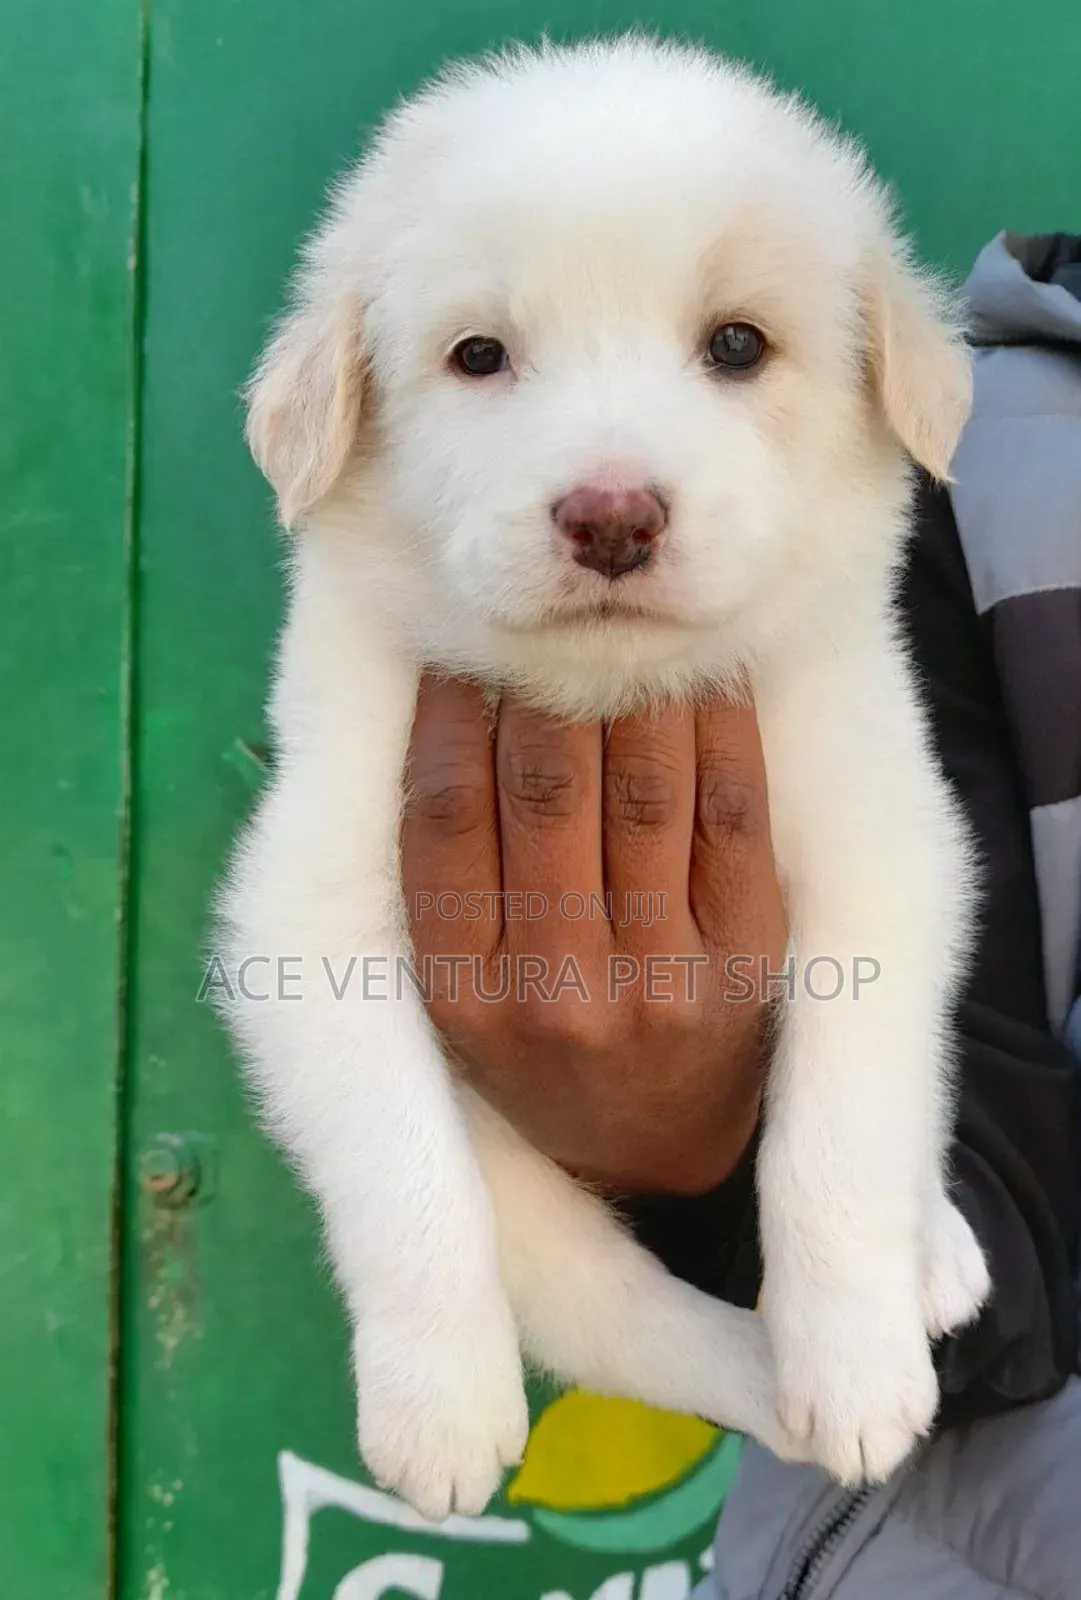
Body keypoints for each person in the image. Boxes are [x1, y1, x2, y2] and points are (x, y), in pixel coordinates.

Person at [401, 231, 1081, 1598]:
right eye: (487, 358)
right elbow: (986, 1266)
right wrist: (698, 1150)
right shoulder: (979, 453)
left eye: (728, 349)